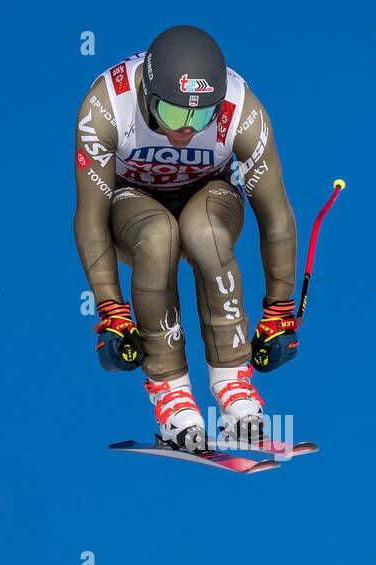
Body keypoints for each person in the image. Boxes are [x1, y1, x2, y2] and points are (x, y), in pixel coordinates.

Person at [74, 25, 298, 450]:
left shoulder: (240, 109)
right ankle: (172, 396)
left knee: (203, 232)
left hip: (208, 197)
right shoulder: (107, 107)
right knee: (159, 235)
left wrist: (279, 311)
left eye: (201, 116)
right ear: (147, 95)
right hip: (130, 204)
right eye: (176, 115)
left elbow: (276, 215)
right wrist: (111, 310)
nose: (186, 130)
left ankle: (235, 390)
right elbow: (90, 217)